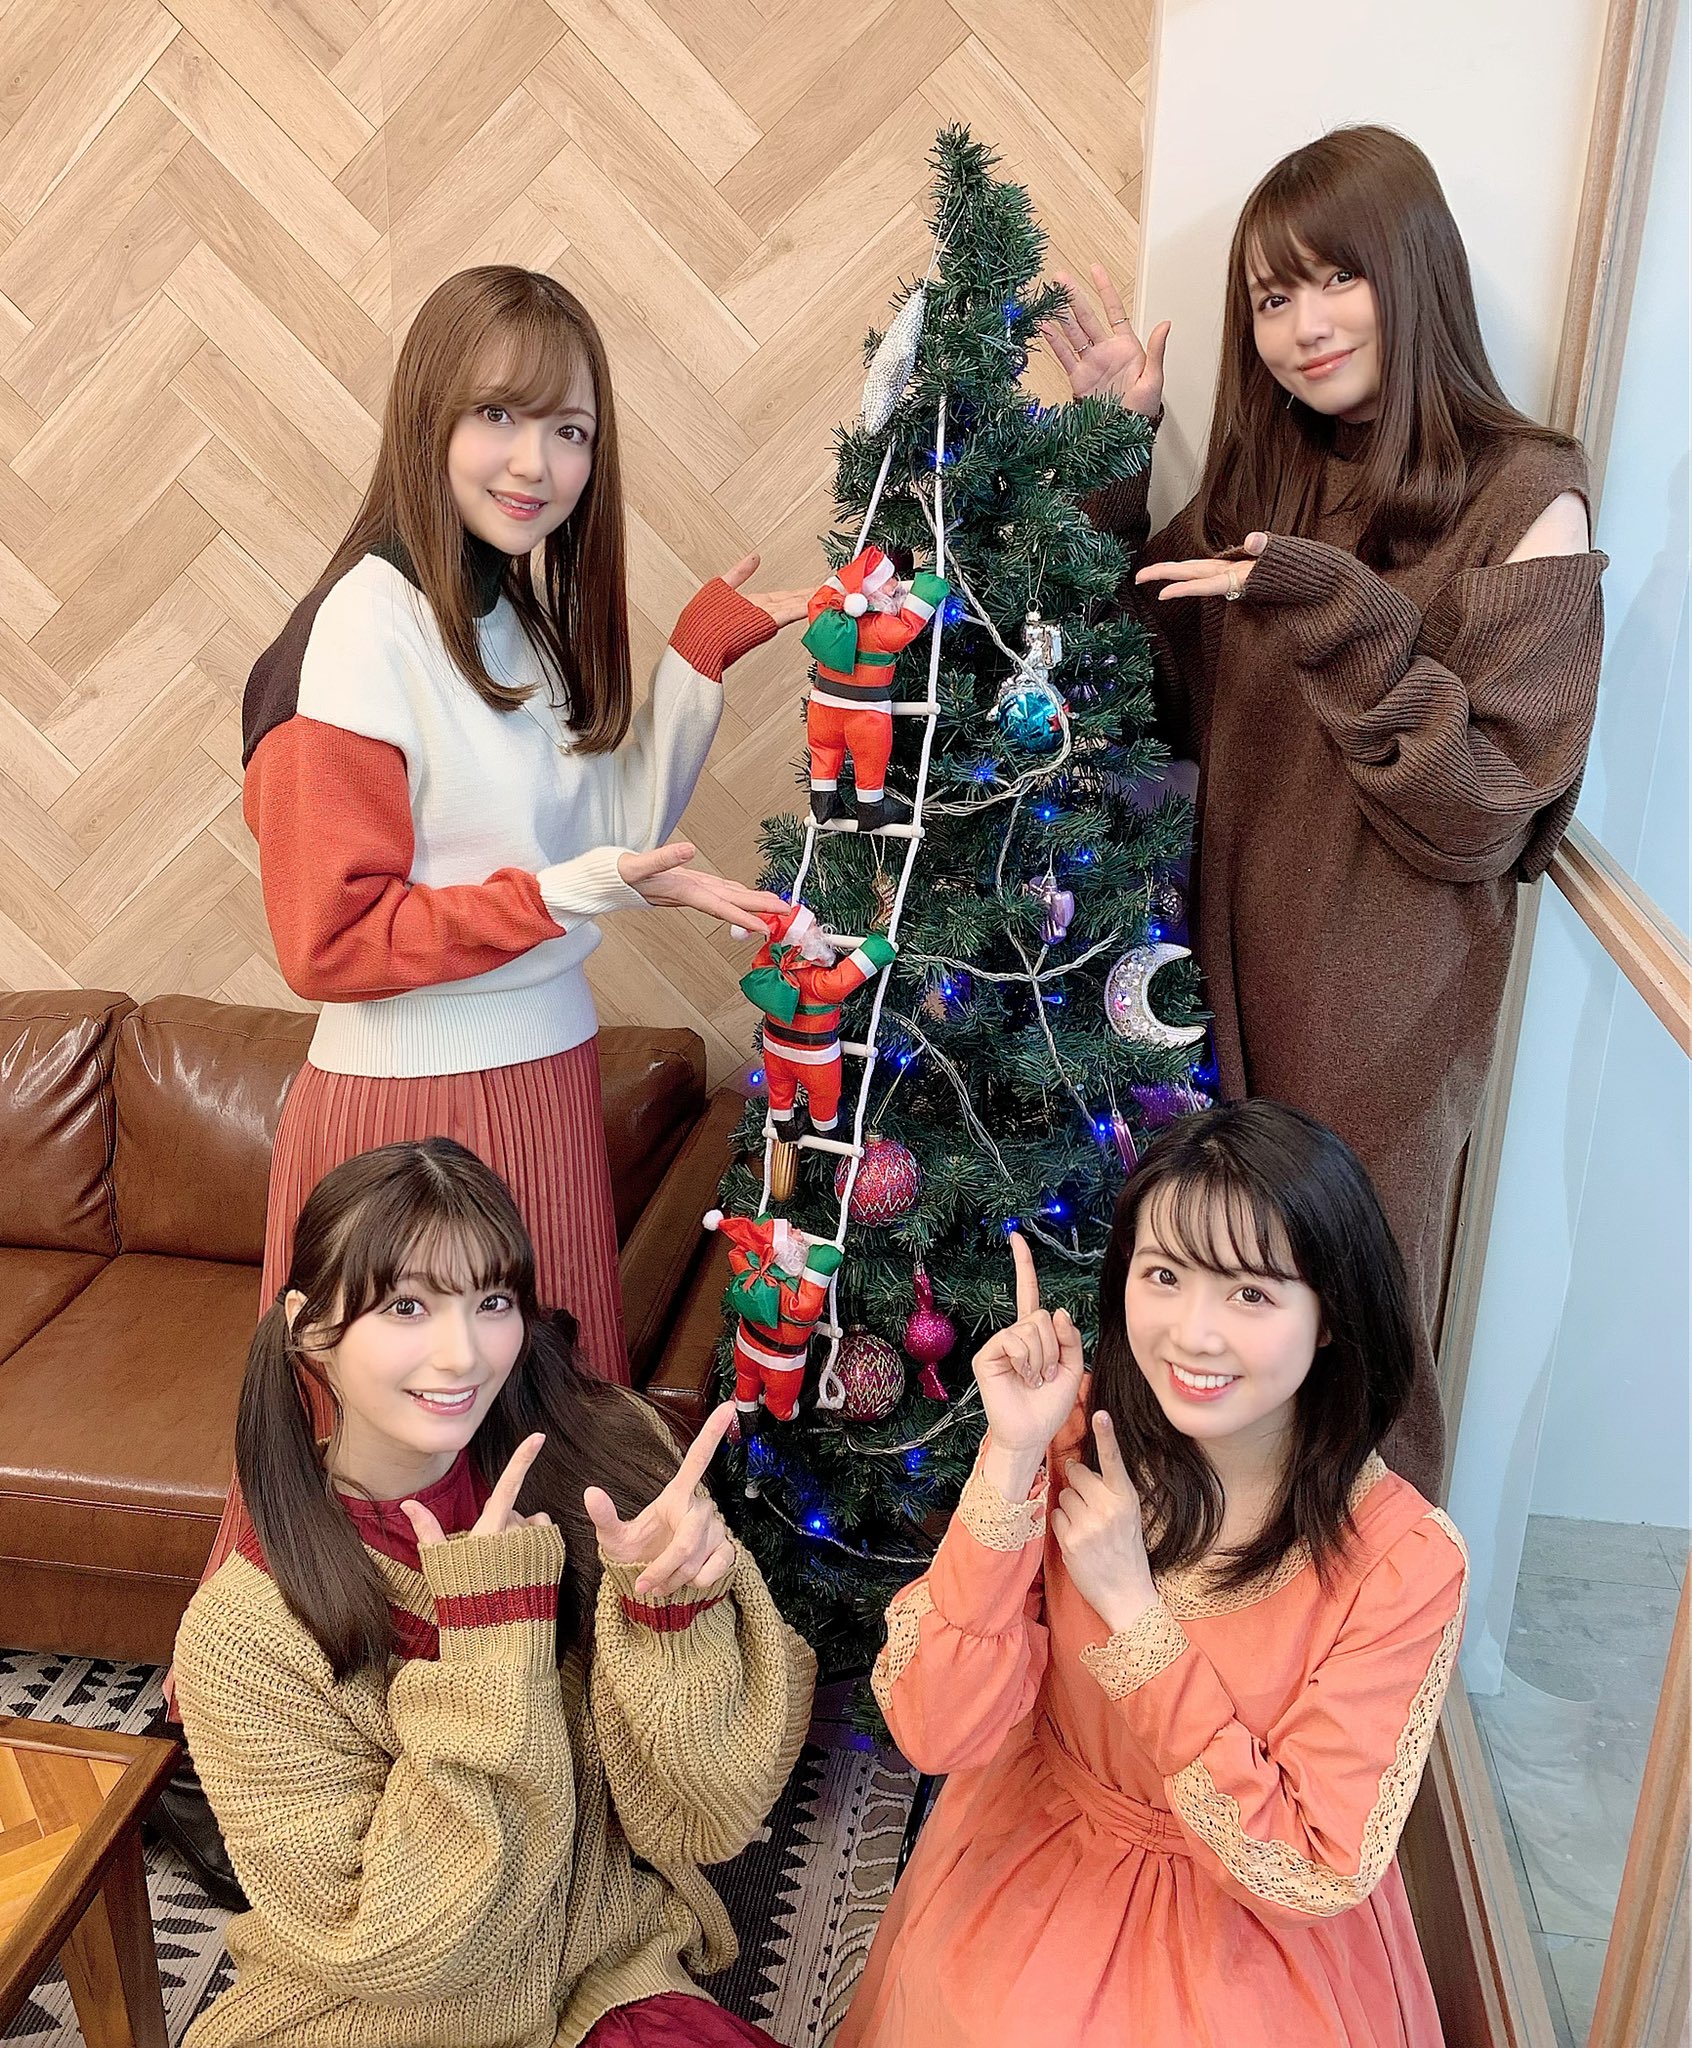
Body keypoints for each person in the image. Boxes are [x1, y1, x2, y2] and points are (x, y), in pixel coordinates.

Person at [160, 261, 806, 1901]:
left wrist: (699, 661)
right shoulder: (359, 628)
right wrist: (564, 895)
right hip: (402, 1116)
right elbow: (328, 934)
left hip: (542, 1088)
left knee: (546, 1416)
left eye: (569, 428)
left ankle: (534, 1748)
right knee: (357, 1448)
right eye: (501, 416)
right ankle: (262, 1772)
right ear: (427, 418)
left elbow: (602, 848)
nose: (536, 460)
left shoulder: (511, 612)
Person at [1042, 127, 1606, 1495]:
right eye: (1271, 297)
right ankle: (1213, 1614)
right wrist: (1118, 454)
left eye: (1336, 279)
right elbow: (1128, 677)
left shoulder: (1527, 493)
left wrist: (1334, 605)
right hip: (1215, 974)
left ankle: (1379, 1629)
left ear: (1414, 275)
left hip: (1384, 1014)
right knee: (1211, 1340)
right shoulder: (1269, 482)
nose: (1305, 326)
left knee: (1355, 1344)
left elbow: (1481, 813)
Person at [840, 1100, 1467, 2048]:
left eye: (1251, 1294)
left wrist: (1137, 1618)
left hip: (1250, 1939)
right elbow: (936, 1728)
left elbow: (1309, 1867)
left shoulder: (1403, 1563)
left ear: (1331, 1316)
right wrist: (1010, 1455)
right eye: (1164, 1276)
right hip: (1032, 1867)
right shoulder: (1069, 1435)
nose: (1193, 1335)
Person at [173, 1137, 814, 2048]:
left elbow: (711, 1818)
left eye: (492, 1302)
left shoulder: (607, 1461)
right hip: (380, 2022)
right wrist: (490, 1647)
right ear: (310, 1329)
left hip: (601, 1970)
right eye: (406, 1306)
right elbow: (398, 1949)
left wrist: (669, 1617)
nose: (464, 1354)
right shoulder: (244, 1633)